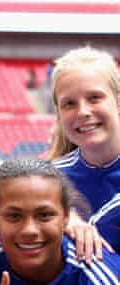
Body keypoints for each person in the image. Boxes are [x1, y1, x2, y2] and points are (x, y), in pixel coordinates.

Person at [0, 158, 120, 285]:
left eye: (44, 215)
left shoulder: (100, 284)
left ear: (66, 217)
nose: (29, 230)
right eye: (14, 216)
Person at [45, 46, 119, 257]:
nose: (83, 112)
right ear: (58, 113)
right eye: (69, 104)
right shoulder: (47, 179)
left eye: (95, 98)